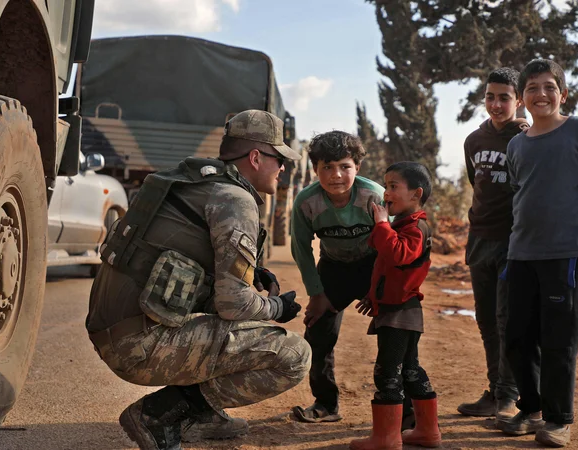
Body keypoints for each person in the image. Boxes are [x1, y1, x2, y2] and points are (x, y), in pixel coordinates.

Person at [86, 110, 311, 450]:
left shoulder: (194, 181)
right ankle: (160, 414)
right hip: (137, 346)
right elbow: (234, 304)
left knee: (242, 329)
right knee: (292, 355)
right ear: (255, 157)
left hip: (113, 331)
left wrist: (251, 274)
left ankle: (201, 415)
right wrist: (277, 307)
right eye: (279, 158)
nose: (283, 168)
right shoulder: (235, 199)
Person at [500, 59, 578, 447]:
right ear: (522, 99)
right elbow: (519, 192)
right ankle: (532, 407)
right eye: (532, 88)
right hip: (521, 252)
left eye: (549, 87)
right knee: (517, 336)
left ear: (563, 93)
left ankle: (558, 419)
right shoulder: (516, 145)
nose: (541, 94)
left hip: (566, 253)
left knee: (558, 339)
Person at [289, 131, 388, 424]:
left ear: (357, 167)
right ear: (315, 169)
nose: (336, 175)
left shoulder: (374, 196)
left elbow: (391, 247)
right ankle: (325, 403)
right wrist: (317, 294)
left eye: (345, 166)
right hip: (333, 267)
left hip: (374, 265)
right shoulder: (307, 202)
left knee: (395, 330)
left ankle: (397, 406)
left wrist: (378, 289)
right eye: (326, 167)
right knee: (318, 333)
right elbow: (301, 250)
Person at [351, 162, 440, 450]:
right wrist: (372, 296)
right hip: (396, 309)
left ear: (416, 194)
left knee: (387, 372)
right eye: (385, 185)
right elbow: (386, 266)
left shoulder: (417, 228)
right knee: (410, 370)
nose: (386, 192)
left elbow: (399, 255)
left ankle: (387, 438)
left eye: (393, 186)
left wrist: (381, 224)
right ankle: (427, 433)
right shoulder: (402, 225)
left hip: (402, 313)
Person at [457, 68, 529, 422]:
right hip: (479, 239)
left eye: (504, 97)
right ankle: (494, 388)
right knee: (486, 320)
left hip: (513, 242)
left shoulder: (527, 138)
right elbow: (478, 185)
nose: (496, 104)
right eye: (490, 97)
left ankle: (508, 396)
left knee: (507, 320)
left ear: (518, 101)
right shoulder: (473, 140)